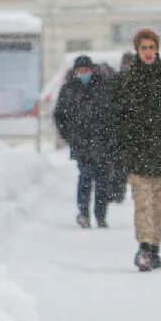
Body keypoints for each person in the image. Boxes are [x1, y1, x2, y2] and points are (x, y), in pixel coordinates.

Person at [111, 29, 161, 271]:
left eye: (151, 47)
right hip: (138, 152)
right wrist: (125, 142)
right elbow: (117, 116)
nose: (147, 52)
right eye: (143, 48)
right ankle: (144, 246)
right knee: (142, 201)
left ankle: (155, 246)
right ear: (137, 50)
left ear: (157, 49)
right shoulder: (127, 80)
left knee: (159, 203)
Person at [53, 55, 114, 228]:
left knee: (102, 180)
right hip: (81, 142)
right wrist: (68, 135)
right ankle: (83, 213)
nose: (84, 73)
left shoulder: (103, 87)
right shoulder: (69, 90)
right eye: (80, 71)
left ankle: (101, 215)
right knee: (85, 177)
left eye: (86, 70)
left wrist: (110, 134)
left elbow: (113, 112)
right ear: (75, 71)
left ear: (92, 70)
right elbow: (60, 115)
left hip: (102, 141)